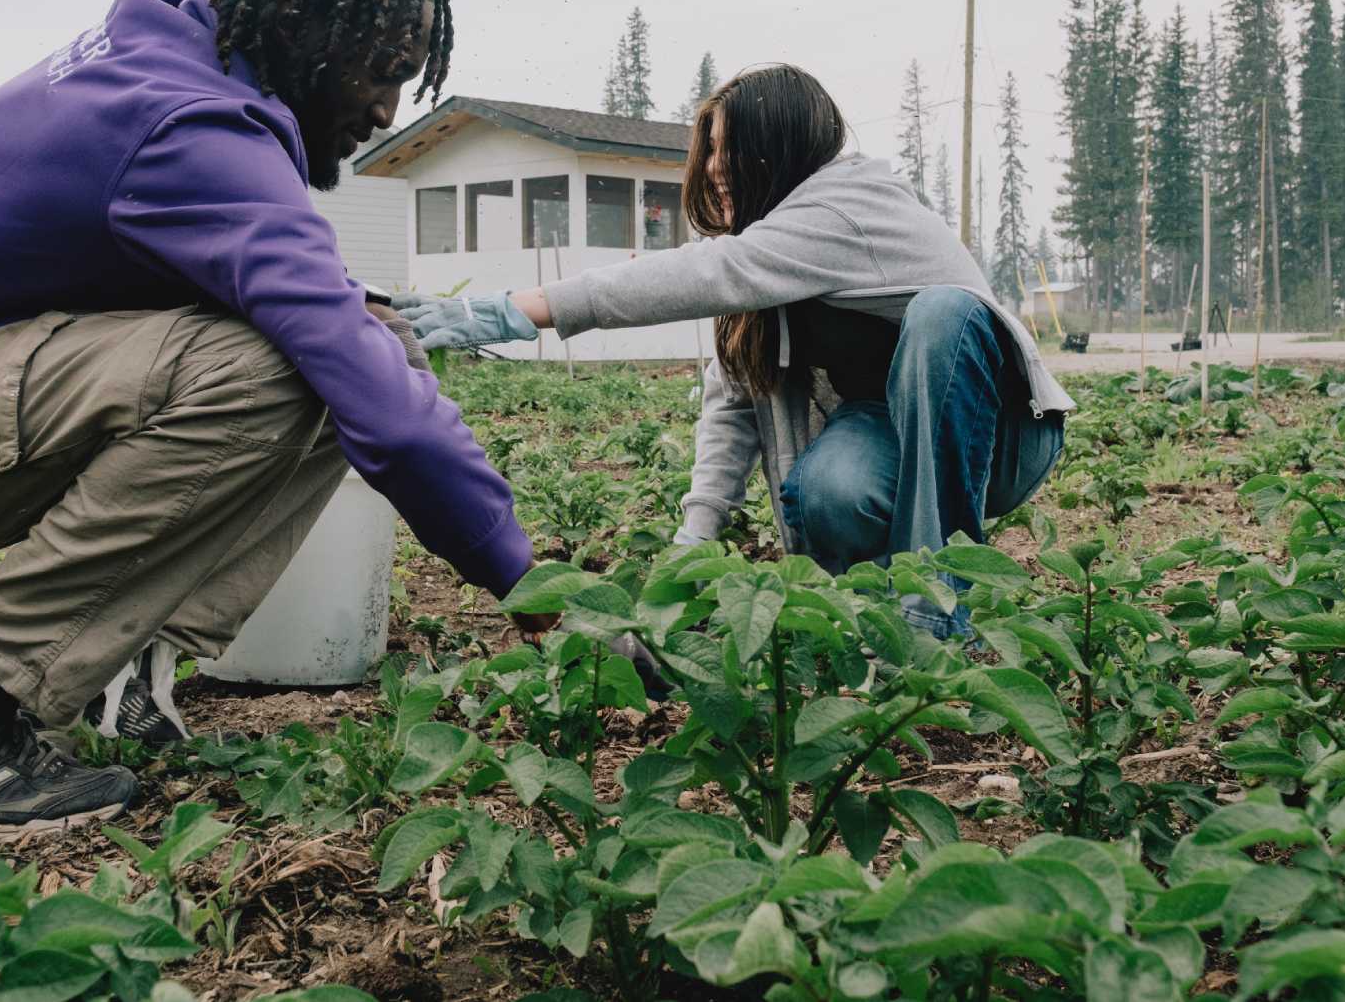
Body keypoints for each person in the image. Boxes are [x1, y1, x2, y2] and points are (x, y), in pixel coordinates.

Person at [0, 0, 536, 839]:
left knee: (369, 340)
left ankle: (125, 654)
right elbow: (367, 386)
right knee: (304, 368)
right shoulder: (190, 125)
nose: (385, 107)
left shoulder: (166, 69)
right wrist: (533, 587)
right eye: (381, 69)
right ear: (300, 25)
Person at [399, 64, 1073, 636]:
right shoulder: (766, 262)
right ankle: (870, 626)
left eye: (734, 148)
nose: (716, 167)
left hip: (1002, 437)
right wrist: (689, 549)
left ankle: (934, 619)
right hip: (889, 425)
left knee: (943, 313)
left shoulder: (847, 204)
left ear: (784, 148)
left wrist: (504, 312)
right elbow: (727, 410)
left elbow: (701, 273)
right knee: (827, 486)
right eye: (712, 148)